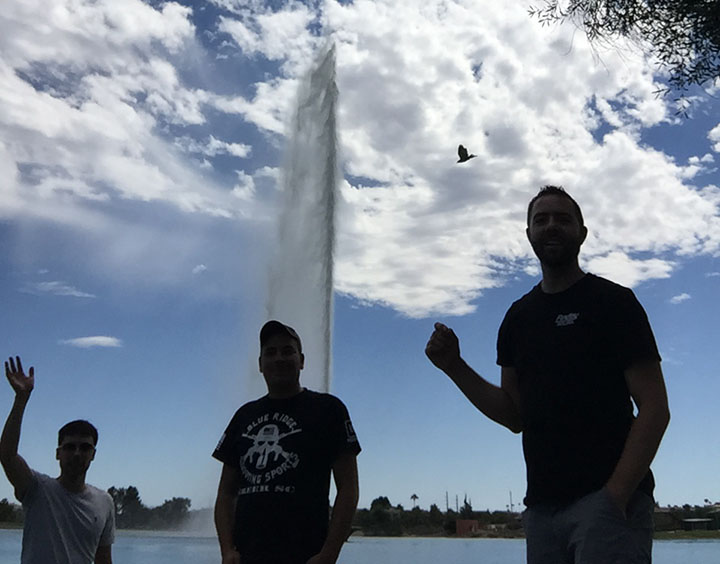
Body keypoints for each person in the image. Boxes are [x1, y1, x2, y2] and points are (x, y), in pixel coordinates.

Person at [425, 186, 670, 564]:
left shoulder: (614, 303)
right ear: (529, 235)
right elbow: (514, 415)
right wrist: (453, 366)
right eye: (541, 220)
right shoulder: (518, 318)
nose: (551, 226)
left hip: (607, 506)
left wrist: (615, 496)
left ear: (582, 233)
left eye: (562, 219)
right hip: (542, 512)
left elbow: (654, 409)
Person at [213, 320, 361, 564]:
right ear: (260, 364)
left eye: (287, 351)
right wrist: (227, 550)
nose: (279, 358)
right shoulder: (243, 416)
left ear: (301, 360)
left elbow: (348, 488)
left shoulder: (329, 410)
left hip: (305, 556)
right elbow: (226, 492)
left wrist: (329, 554)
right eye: (270, 352)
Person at [0, 356, 115, 564]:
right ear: (57, 453)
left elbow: (104, 559)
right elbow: (7, 455)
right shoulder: (36, 489)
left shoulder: (104, 502)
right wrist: (20, 400)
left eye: (85, 447)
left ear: (93, 454)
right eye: (70, 447)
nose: (77, 453)